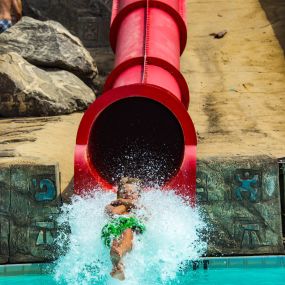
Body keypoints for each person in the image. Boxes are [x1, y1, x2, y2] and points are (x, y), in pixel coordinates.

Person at [101, 177, 146, 280]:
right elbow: (113, 213)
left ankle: (119, 257)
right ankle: (118, 266)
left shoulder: (140, 207)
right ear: (118, 195)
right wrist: (125, 204)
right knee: (115, 239)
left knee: (127, 231)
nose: (128, 194)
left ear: (138, 196)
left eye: (132, 192)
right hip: (114, 228)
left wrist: (125, 202)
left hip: (133, 229)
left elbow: (146, 214)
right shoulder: (110, 206)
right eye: (124, 192)